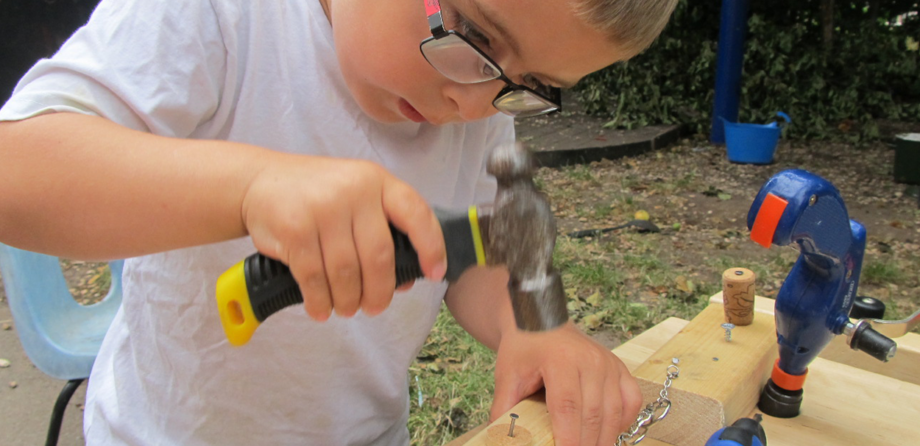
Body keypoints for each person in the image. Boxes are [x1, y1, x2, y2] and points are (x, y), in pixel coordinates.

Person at [0, 0, 677, 444]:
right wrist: (251, 187)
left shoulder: (483, 94)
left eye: (530, 84)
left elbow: (477, 243)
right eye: (473, 35)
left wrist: (536, 324)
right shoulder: (222, 17)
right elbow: (19, 167)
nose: (471, 106)